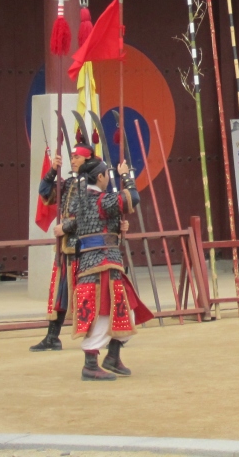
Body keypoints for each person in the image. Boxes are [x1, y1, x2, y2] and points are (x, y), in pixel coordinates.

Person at [69, 156, 153, 380]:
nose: (109, 177)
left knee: (127, 311)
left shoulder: (81, 200)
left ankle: (113, 356)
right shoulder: (101, 200)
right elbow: (132, 197)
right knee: (103, 313)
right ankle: (90, 365)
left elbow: (99, 224)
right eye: (107, 174)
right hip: (101, 264)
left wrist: (117, 227)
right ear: (99, 176)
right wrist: (126, 175)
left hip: (103, 263)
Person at [30, 139, 91, 352]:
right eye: (72, 157)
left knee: (89, 293)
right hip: (66, 249)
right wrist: (52, 171)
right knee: (60, 293)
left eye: (77, 157)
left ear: (88, 159)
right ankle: (52, 337)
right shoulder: (69, 184)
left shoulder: (92, 185)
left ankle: (106, 336)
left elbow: (89, 215)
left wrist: (66, 227)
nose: (73, 160)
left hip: (85, 249)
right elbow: (45, 191)